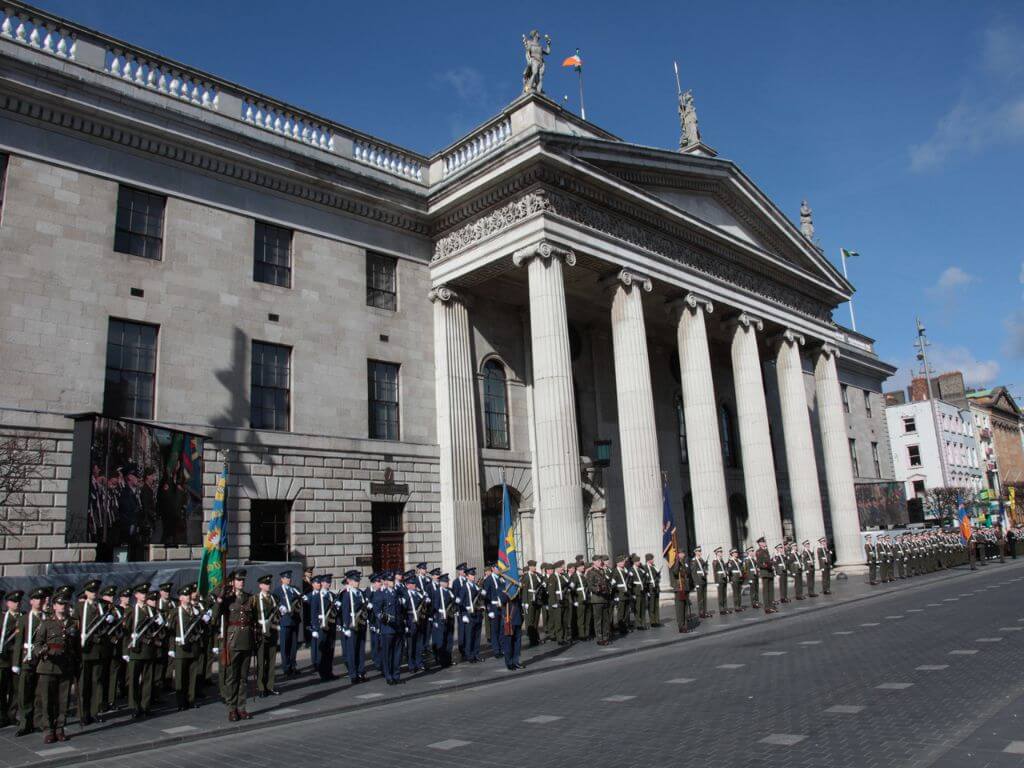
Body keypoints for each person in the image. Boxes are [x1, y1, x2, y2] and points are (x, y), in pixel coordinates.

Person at [33, 594, 78, 745]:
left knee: (63, 701)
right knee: (46, 700)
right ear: (54, 606)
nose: (62, 606)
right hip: (48, 666)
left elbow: (76, 647)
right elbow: (37, 644)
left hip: (65, 667)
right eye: (59, 604)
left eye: (65, 604)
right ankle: (48, 730)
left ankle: (60, 729)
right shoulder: (46, 624)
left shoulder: (73, 623)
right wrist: (43, 652)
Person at [213, 570, 255, 721]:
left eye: (242, 580)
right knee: (232, 677)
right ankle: (232, 708)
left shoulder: (249, 598)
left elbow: (252, 620)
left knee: (243, 678)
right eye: (238, 580)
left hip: (246, 640)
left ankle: (241, 708)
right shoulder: (227, 599)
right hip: (233, 641)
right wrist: (220, 598)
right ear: (233, 582)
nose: (241, 582)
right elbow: (214, 617)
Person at [77, 579, 112, 724]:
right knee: (84, 684)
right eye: (91, 591)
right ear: (86, 592)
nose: (94, 593)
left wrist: (112, 620)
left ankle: (94, 711)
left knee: (97, 682)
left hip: (99, 650)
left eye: (96, 591)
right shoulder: (80, 607)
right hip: (85, 650)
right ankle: (83, 714)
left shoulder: (103, 606)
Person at [167, 584, 207, 711]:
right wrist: (172, 648)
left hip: (193, 647)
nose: (188, 597)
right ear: (180, 598)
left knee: (192, 675)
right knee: (180, 676)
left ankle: (191, 699)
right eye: (185, 595)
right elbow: (170, 631)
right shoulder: (175, 612)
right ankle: (181, 702)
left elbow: (202, 628)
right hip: (181, 648)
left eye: (189, 594)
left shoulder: (195, 611)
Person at [125, 584, 160, 720]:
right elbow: (126, 632)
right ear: (136, 595)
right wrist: (125, 651)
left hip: (149, 649)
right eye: (141, 592)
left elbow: (157, 630)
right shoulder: (132, 611)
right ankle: (135, 707)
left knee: (147, 679)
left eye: (145, 593)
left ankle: (145, 706)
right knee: (134, 680)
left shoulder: (152, 610)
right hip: (135, 650)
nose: (144, 595)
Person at [13, 588, 44, 736]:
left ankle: (37, 722)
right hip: (27, 659)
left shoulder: (47, 618)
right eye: (36, 599)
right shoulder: (24, 619)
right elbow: (19, 642)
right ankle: (25, 723)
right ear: (31, 601)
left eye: (41, 599)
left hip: (42, 660)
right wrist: (15, 663)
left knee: (39, 693)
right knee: (24, 693)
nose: (39, 602)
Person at [371, 572, 406, 684]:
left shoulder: (396, 593)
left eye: (393, 581)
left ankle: (396, 675)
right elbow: (377, 612)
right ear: (385, 582)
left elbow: (400, 611)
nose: (393, 583)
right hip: (388, 628)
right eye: (391, 581)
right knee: (387, 654)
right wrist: (388, 619)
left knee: (397, 653)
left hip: (398, 628)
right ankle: (388, 676)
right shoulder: (380, 594)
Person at [251, 574, 279, 698]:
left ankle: (270, 686)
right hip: (261, 632)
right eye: (266, 584)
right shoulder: (255, 599)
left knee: (271, 660)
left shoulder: (273, 598)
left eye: (269, 584)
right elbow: (252, 616)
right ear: (260, 586)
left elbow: (277, 614)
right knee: (261, 660)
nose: (268, 586)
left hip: (272, 631)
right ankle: (261, 687)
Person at [339, 570, 367, 683]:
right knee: (351, 651)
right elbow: (345, 611)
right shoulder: (346, 594)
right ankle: (353, 674)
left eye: (358, 580)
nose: (357, 582)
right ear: (349, 581)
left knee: (360, 650)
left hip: (360, 624)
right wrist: (345, 627)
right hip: (351, 624)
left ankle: (361, 672)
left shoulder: (359, 593)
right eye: (355, 580)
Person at [0, 590, 23, 728]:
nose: (17, 603)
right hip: (3, 659)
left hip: (17, 658)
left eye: (19, 601)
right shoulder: (2, 618)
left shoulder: (23, 617)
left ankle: (12, 714)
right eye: (14, 601)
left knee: (16, 689)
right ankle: (1, 716)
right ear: (7, 603)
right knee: (2, 688)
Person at [273, 570, 301, 677]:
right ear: (282, 579)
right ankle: (286, 667)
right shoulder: (278, 590)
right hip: (285, 620)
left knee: (294, 645)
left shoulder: (294, 590)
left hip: (294, 619)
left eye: (289, 578)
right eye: (286, 578)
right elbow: (274, 602)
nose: (288, 579)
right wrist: (280, 607)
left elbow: (299, 600)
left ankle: (293, 665)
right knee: (285, 645)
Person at [309, 574, 336, 682]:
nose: (328, 583)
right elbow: (313, 613)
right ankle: (322, 673)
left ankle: (329, 671)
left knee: (330, 650)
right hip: (321, 626)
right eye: (326, 582)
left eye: (329, 582)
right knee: (322, 650)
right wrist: (315, 629)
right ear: (322, 583)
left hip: (331, 625)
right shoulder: (317, 596)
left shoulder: (332, 596)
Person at [457, 567, 483, 662]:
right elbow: (460, 602)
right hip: (469, 615)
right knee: (469, 636)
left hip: (477, 613)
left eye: (474, 575)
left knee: (477, 635)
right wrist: (463, 614)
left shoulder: (476, 586)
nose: (473, 577)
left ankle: (476, 654)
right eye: (472, 575)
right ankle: (469, 655)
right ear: (467, 576)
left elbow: (480, 600)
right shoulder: (464, 587)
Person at [404, 572, 428, 673]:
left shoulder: (418, 594)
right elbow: (403, 610)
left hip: (419, 620)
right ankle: (411, 665)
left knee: (419, 643)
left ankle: (419, 662)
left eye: (414, 584)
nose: (414, 585)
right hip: (410, 621)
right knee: (411, 645)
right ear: (407, 585)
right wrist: (405, 624)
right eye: (412, 584)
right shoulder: (405, 595)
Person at [430, 574, 456, 668]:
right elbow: (435, 605)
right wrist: (441, 611)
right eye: (445, 582)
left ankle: (449, 659)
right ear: (441, 583)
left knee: (449, 640)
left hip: (449, 618)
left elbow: (454, 602)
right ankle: (442, 661)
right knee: (442, 640)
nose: (447, 583)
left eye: (447, 581)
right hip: (441, 618)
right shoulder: (438, 592)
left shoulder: (449, 591)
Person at [585, 554, 612, 644]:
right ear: (593, 562)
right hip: (597, 599)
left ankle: (606, 637)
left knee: (606, 619)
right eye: (598, 561)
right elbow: (590, 586)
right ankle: (600, 639)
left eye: (600, 561)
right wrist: (598, 589)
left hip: (605, 598)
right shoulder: (591, 572)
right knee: (598, 620)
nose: (600, 562)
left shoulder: (602, 571)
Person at [521, 561, 545, 647]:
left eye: (535, 566)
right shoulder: (526, 577)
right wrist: (525, 602)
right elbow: (524, 590)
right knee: (530, 621)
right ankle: (532, 640)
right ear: (530, 567)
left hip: (537, 600)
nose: (535, 568)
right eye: (533, 566)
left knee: (536, 621)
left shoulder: (537, 575)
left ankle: (536, 638)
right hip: (530, 600)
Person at [669, 551, 691, 633]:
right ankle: (681, 626)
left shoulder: (684, 563)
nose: (684, 554)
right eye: (682, 553)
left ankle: (685, 625)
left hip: (685, 588)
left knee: (685, 608)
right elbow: (675, 572)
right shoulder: (675, 563)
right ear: (678, 554)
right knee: (680, 609)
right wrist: (677, 561)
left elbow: (688, 572)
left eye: (683, 553)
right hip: (679, 588)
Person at [754, 538, 776, 614]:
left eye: (765, 541)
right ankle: (767, 607)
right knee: (766, 591)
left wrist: (772, 562)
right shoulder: (759, 552)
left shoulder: (766, 551)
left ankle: (772, 606)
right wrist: (768, 566)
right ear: (760, 543)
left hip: (770, 572)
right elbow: (759, 563)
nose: (765, 543)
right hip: (765, 572)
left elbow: (768, 561)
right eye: (763, 542)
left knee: (771, 590)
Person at [688, 546, 710, 619]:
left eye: (700, 551)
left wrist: (706, 568)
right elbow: (693, 573)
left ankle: (705, 611)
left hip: (703, 580)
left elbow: (704, 568)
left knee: (704, 597)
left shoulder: (702, 560)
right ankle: (701, 612)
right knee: (700, 598)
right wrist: (696, 583)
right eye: (698, 551)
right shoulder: (694, 561)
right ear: (695, 552)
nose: (700, 553)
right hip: (698, 581)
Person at [642, 554, 662, 627]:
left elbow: (657, 576)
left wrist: (658, 576)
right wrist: (647, 591)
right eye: (652, 559)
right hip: (650, 588)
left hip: (656, 587)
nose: (653, 560)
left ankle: (657, 620)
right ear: (648, 560)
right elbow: (644, 580)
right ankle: (652, 621)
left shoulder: (654, 567)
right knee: (651, 605)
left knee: (656, 605)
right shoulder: (644, 568)